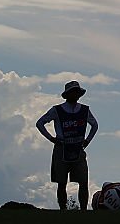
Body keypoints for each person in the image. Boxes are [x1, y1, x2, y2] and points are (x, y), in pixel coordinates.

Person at [35, 81, 98, 210]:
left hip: (78, 148)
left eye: (77, 92)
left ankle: (84, 209)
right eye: (73, 92)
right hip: (61, 148)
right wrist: (51, 138)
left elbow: (95, 125)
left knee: (83, 181)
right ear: (67, 94)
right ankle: (63, 209)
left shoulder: (85, 110)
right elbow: (40, 123)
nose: (75, 94)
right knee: (61, 182)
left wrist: (87, 141)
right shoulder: (57, 110)